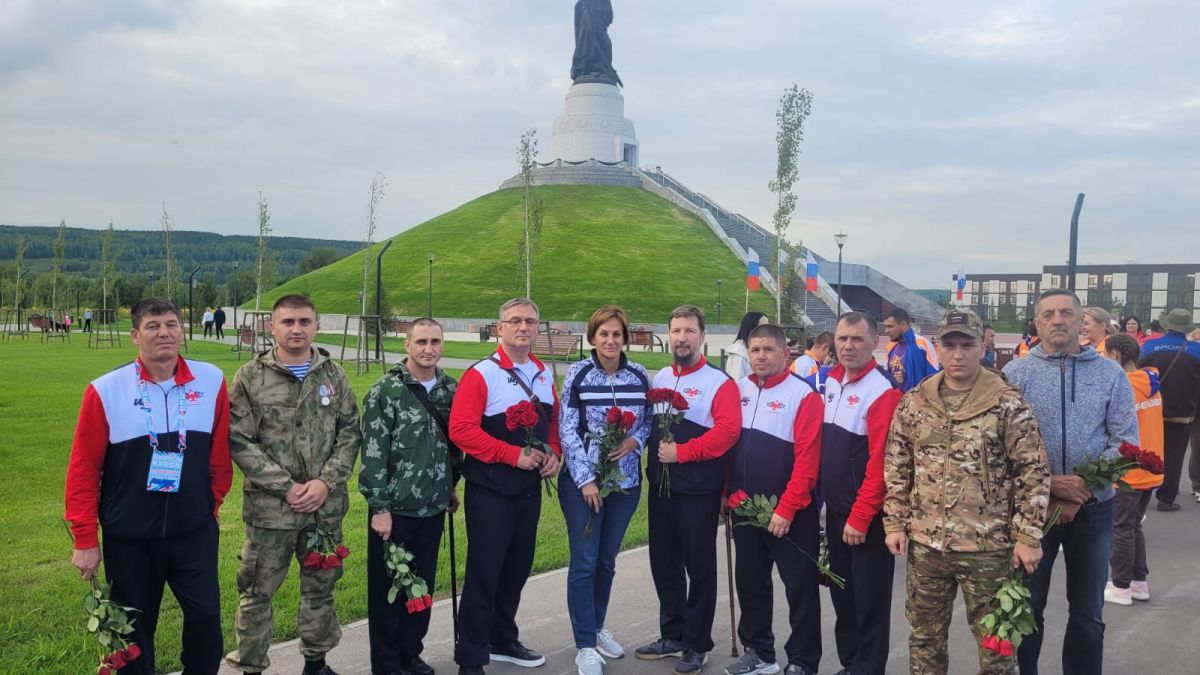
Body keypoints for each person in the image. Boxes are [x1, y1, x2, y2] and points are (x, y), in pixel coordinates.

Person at [65, 297, 232, 675]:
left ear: (182, 330)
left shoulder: (211, 381)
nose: (164, 333)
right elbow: (83, 469)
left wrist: (211, 503)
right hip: (130, 537)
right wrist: (85, 538)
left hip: (194, 531)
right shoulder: (106, 390)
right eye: (153, 326)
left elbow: (220, 456)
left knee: (206, 619)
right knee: (133, 634)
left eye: (171, 324)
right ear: (135, 336)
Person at [883, 309, 1050, 675]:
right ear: (938, 349)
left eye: (967, 345)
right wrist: (894, 522)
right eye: (949, 345)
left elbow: (1033, 471)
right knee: (924, 640)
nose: (957, 354)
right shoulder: (915, 401)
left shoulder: (1006, 402)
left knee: (997, 645)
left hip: (988, 546)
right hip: (927, 545)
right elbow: (898, 465)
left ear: (982, 348)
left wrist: (1029, 536)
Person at [1002, 289, 1139, 675]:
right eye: (1048, 314)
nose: (1057, 320)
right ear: (1037, 323)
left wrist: (1082, 489)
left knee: (1087, 613)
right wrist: (1050, 486)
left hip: (1093, 510)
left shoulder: (1110, 374)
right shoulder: (1015, 375)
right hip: (1032, 514)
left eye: (1066, 313)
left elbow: (1127, 442)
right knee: (1027, 609)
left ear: (1083, 322)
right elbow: (1001, 447)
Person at [225, 294, 362, 675]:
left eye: (304, 321)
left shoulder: (333, 376)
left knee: (321, 587)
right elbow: (239, 439)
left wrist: (325, 483)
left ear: (316, 326)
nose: (296, 329)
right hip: (271, 511)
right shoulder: (250, 377)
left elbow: (350, 433)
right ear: (272, 327)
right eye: (288, 322)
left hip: (324, 509)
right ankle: (250, 666)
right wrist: (286, 486)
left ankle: (316, 663)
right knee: (257, 591)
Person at [449, 298, 562, 675]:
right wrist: (512, 455)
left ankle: (502, 638)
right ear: (500, 328)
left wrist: (554, 452)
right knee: (485, 572)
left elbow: (553, 422)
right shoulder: (482, 374)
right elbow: (461, 430)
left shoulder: (543, 373)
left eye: (530, 321)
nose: (523, 327)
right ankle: (471, 657)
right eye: (515, 321)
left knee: (517, 569)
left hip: (528, 490)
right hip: (491, 490)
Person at [636, 305, 741, 674]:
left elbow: (728, 433)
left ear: (703, 336)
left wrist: (683, 452)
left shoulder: (719, 383)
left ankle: (697, 643)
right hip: (662, 489)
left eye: (689, 331)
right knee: (664, 564)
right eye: (676, 331)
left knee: (699, 568)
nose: (682, 338)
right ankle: (673, 635)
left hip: (697, 491)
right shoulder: (662, 375)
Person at [360, 318, 461, 675]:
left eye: (435, 341)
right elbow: (373, 454)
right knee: (389, 591)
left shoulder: (451, 389)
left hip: (433, 508)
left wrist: (451, 485)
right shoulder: (386, 390)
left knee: (422, 587)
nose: (428, 349)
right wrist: (379, 508)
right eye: (421, 342)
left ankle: (410, 652)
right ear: (407, 345)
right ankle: (387, 663)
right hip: (395, 510)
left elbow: (454, 445)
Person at [724, 324, 823, 675]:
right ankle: (759, 653)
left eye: (768, 350)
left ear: (786, 353)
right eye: (755, 350)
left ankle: (803, 660)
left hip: (790, 513)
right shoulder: (738, 389)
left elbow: (808, 462)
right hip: (745, 508)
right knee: (750, 583)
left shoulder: (804, 395)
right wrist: (725, 495)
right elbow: (728, 446)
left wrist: (787, 508)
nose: (761, 356)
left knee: (800, 588)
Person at [558, 306, 652, 675]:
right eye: (603, 334)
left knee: (607, 562)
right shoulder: (579, 373)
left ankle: (596, 628)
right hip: (585, 485)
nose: (610, 341)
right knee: (585, 562)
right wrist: (586, 479)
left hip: (625, 485)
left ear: (625, 338)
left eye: (616, 334)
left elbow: (648, 421)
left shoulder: (638, 374)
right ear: (593, 337)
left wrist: (635, 441)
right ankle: (584, 645)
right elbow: (567, 429)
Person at [821, 312, 902, 675]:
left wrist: (862, 514)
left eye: (857, 339)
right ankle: (851, 663)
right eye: (842, 339)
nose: (848, 346)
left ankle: (868, 669)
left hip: (866, 517)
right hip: (836, 511)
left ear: (875, 343)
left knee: (870, 603)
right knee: (843, 595)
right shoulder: (831, 380)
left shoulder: (883, 391)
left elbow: (882, 462)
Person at [1100, 333, 1164, 605]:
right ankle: (1138, 582)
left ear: (1115, 355)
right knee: (1133, 526)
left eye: (1104, 354)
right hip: (1150, 465)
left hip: (1129, 468)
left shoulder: (1123, 386)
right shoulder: (1150, 382)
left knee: (1121, 528)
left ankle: (1121, 585)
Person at [1138, 308, 1200, 512]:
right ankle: (1166, 498)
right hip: (1183, 411)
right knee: (1174, 455)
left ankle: (1142, 492)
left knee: (1148, 451)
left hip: (1151, 409)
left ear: (1167, 325)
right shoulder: (1196, 350)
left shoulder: (1149, 346)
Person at [883, 308, 939, 391]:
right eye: (886, 327)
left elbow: (934, 375)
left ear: (903, 324)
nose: (886, 330)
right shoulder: (890, 347)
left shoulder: (921, 343)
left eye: (890, 326)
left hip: (919, 397)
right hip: (897, 398)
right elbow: (888, 378)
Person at [724, 312, 768, 380]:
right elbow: (737, 383)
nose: (767, 331)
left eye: (767, 327)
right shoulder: (739, 355)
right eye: (762, 327)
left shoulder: (755, 349)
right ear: (751, 328)